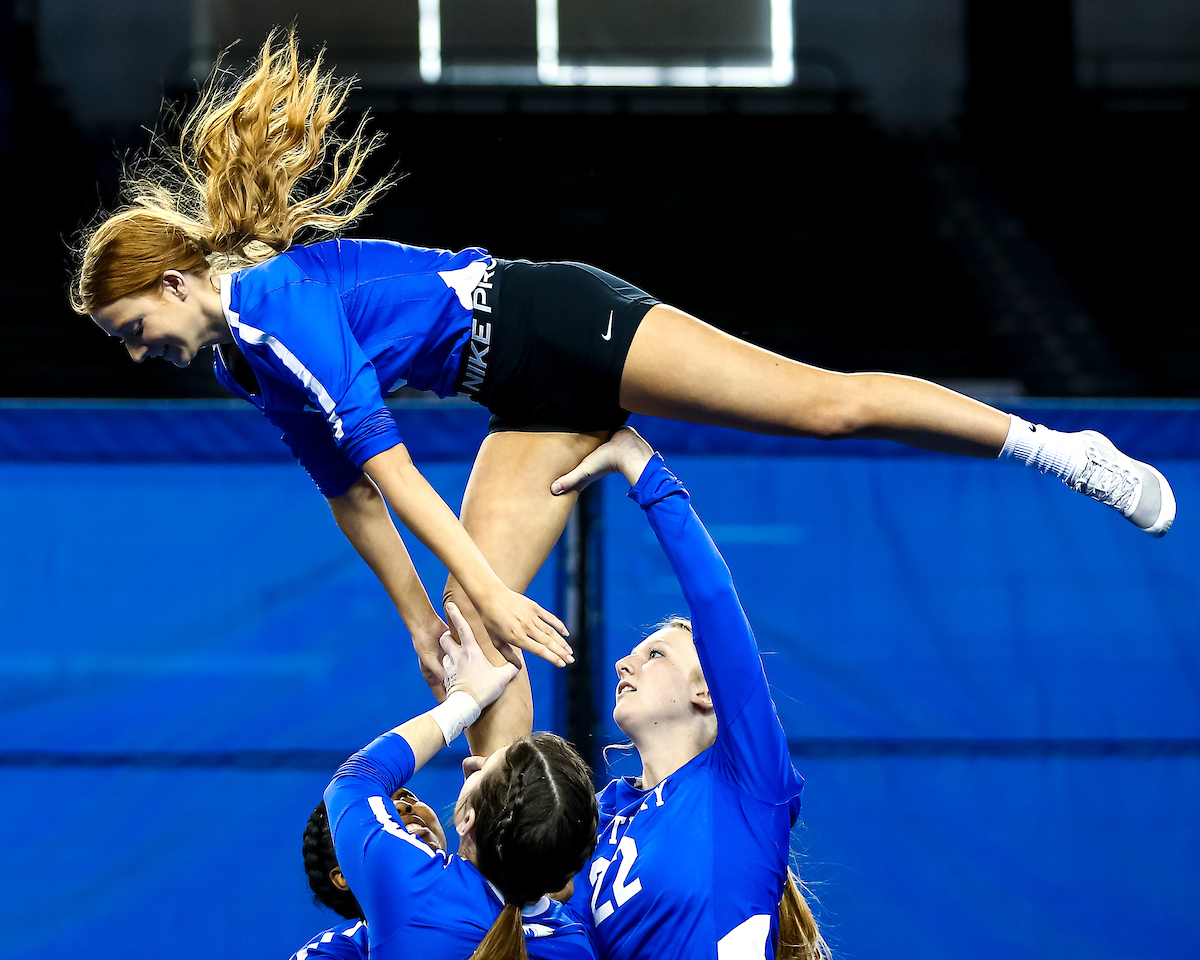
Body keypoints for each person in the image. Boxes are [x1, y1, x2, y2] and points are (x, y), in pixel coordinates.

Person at [74, 32, 1174, 753]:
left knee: (825, 406)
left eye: (131, 331)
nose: (136, 353)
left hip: (561, 324)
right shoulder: (242, 358)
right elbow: (349, 496)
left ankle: (1059, 448)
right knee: (471, 645)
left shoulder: (278, 308)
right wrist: (424, 618)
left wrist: (479, 588)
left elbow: (388, 465)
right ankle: (518, 885)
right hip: (522, 396)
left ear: (174, 284)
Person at [551, 427, 828, 960]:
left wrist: (640, 465)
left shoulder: (745, 781)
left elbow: (714, 598)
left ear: (707, 692)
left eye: (655, 654)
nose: (624, 663)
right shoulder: (598, 820)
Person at [322, 601, 599, 960]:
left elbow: (356, 779)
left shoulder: (416, 893)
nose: (473, 763)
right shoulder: (576, 944)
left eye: (482, 770)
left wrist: (464, 702)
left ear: (467, 820)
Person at [292, 786, 448, 959]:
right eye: (374, 814)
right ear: (345, 875)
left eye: (405, 796)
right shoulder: (330, 953)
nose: (402, 805)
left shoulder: (473, 888)